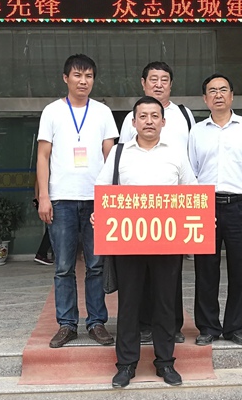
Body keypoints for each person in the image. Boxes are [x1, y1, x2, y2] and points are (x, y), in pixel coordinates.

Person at [96, 96, 198, 388]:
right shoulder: (119, 153)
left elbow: (191, 192)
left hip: (168, 242)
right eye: (143, 116)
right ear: (133, 122)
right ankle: (126, 364)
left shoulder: (176, 153)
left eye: (155, 116)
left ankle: (165, 362)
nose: (149, 121)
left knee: (165, 304)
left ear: (163, 122)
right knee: (129, 304)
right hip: (128, 242)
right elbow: (102, 189)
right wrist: (98, 214)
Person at [37, 54, 119, 348]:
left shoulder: (103, 112)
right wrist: (43, 196)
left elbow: (110, 155)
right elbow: (43, 156)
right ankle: (67, 324)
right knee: (63, 266)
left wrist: (112, 196)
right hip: (61, 199)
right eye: (77, 75)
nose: (83, 81)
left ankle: (97, 323)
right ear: (65, 78)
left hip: (97, 199)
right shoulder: (52, 111)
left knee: (96, 265)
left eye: (89, 76)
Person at [188, 73, 242, 347]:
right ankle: (208, 326)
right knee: (205, 270)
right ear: (205, 99)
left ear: (232, 96)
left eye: (223, 90)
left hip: (241, 206)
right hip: (205, 205)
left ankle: (234, 327)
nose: (218, 95)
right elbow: (191, 173)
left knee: (240, 269)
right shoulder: (197, 131)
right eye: (212, 91)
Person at [119, 61, 196, 345]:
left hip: (173, 207)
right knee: (138, 274)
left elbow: (192, 160)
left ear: (171, 84)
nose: (159, 84)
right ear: (143, 83)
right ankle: (143, 324)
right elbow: (121, 161)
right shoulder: (132, 118)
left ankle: (171, 326)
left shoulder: (184, 115)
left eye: (164, 79)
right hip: (137, 207)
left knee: (170, 273)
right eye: (153, 79)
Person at [33, 174, 54, 265]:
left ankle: (42, 253)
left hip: (47, 199)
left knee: (52, 227)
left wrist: (37, 197)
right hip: (50, 200)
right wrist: (38, 198)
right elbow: (38, 180)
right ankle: (41, 253)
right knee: (53, 227)